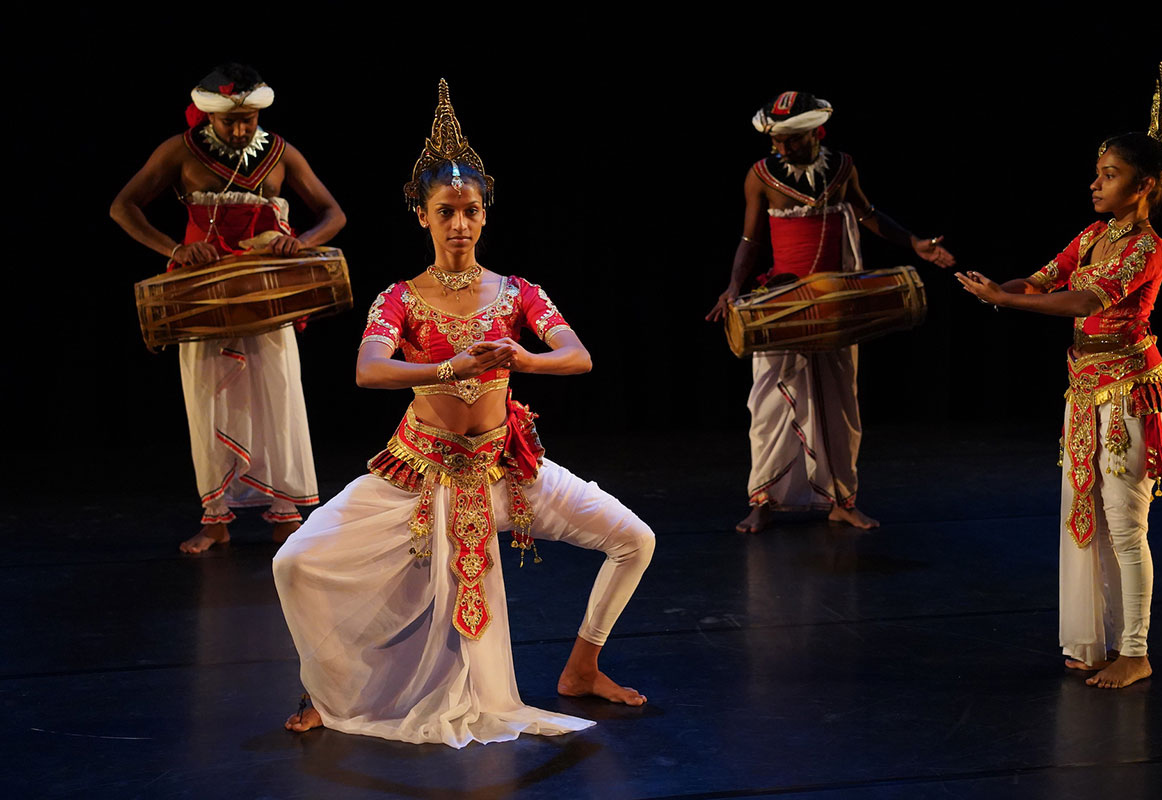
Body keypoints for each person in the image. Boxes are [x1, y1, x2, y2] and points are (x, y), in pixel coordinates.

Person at [273, 80, 655, 747]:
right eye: (446, 210)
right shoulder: (399, 298)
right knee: (297, 562)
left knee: (635, 540)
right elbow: (369, 369)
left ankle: (582, 666)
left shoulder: (518, 292)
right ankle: (330, 690)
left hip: (507, 471)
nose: (460, 224)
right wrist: (451, 368)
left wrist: (522, 360)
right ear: (420, 215)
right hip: (419, 477)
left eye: (471, 210)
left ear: (486, 214)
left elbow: (578, 354)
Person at [956, 63, 1162, 689]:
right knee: (1083, 515)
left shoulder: (1146, 248)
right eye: (1098, 172)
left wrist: (1012, 304)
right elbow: (1041, 281)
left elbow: (1087, 304)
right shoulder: (1092, 236)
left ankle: (1134, 650)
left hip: (1131, 396)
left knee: (1124, 524)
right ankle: (1097, 641)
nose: (1095, 183)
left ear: (1145, 185)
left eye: (1109, 175)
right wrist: (994, 290)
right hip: (1086, 395)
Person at [110, 63, 347, 553]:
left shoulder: (280, 152)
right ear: (207, 116)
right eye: (230, 121)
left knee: (278, 398)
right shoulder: (179, 150)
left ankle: (285, 516)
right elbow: (123, 206)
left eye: (250, 119)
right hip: (203, 291)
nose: (241, 129)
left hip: (265, 290)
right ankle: (215, 520)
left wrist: (299, 243)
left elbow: (333, 214)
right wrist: (175, 249)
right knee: (208, 401)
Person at [706, 90, 956, 533]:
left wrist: (914, 242)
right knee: (769, 406)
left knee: (840, 404)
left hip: (837, 301)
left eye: (793, 139)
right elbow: (750, 240)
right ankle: (763, 500)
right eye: (778, 140)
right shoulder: (760, 176)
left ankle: (842, 499)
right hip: (782, 302)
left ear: (817, 132)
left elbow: (868, 214)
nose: (783, 148)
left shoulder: (842, 168)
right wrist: (732, 288)